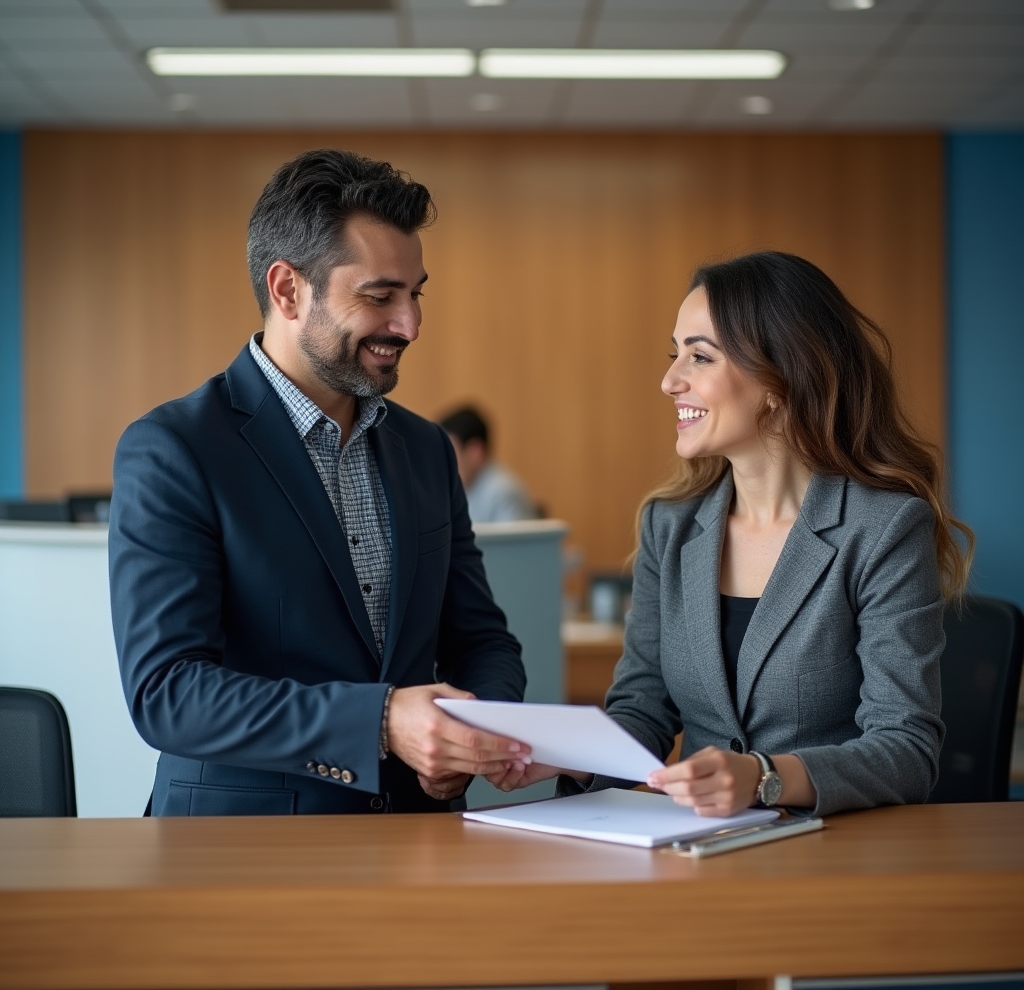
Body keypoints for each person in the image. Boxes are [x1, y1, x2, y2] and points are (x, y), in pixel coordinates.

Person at [108, 149, 530, 817]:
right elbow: (168, 692)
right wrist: (383, 721)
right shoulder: (174, 448)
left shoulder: (424, 449)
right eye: (379, 296)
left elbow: (480, 639)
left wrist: (478, 734)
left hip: (415, 840)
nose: (410, 325)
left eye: (415, 294)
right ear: (287, 290)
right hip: (240, 849)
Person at [490, 251, 972, 817]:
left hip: (833, 855)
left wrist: (763, 777)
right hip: (693, 850)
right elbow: (642, 711)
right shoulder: (668, 525)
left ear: (780, 378)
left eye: (699, 357)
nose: (670, 381)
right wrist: (571, 756)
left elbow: (906, 750)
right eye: (676, 356)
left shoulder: (884, 528)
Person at [439, 406, 538, 523]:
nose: (444, 462)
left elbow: (514, 541)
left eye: (450, 453)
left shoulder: (503, 492)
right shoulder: (463, 487)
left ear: (474, 452)